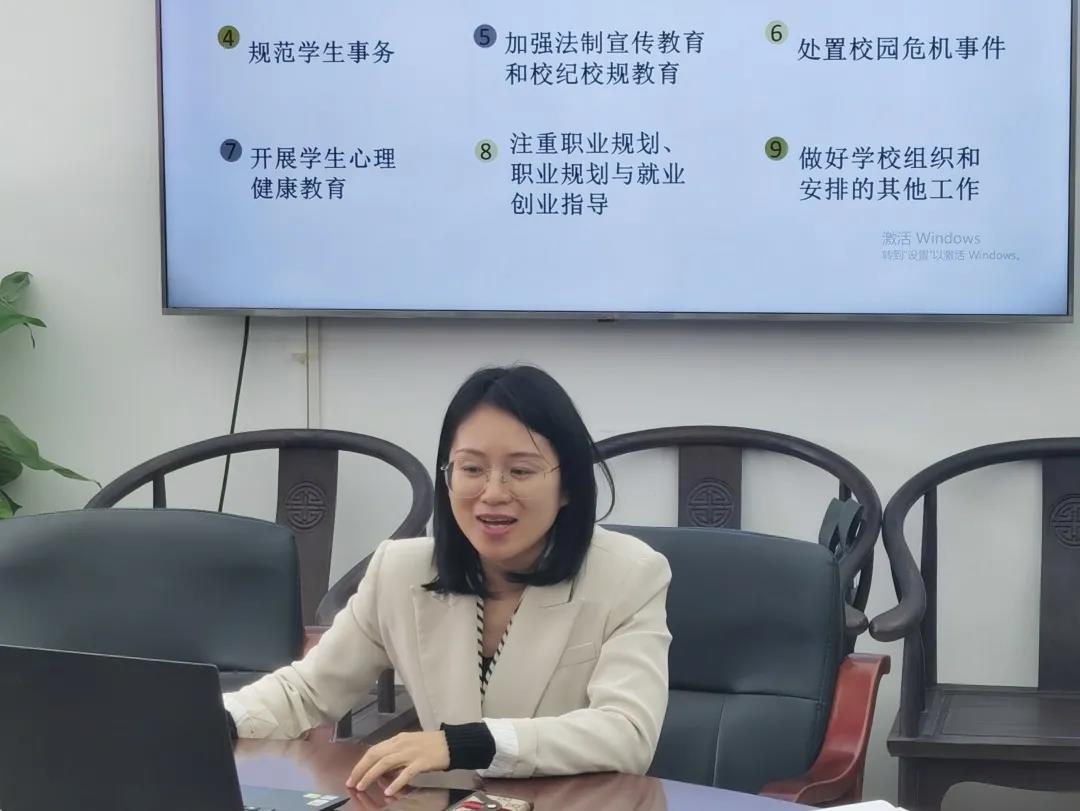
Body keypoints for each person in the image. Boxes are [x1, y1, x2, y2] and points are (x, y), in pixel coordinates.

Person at [223, 365, 672, 797]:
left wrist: (464, 744)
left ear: (568, 485)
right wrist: (213, 721)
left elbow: (627, 732)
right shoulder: (400, 571)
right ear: (448, 476)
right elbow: (306, 692)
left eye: (520, 471)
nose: (493, 493)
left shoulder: (629, 574)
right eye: (472, 469)